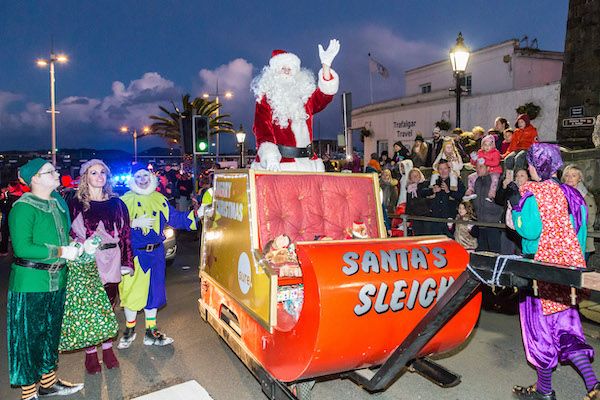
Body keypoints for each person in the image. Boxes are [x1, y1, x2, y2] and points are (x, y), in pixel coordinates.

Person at [509, 143, 600, 400]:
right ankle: (594, 384)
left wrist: (516, 209)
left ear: (538, 166)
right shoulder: (572, 195)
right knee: (567, 330)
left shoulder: (534, 194)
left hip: (539, 271)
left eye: (530, 163)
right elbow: (580, 235)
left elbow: (529, 230)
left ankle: (544, 391)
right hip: (566, 273)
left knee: (540, 334)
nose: (527, 167)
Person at [7, 158, 84, 400]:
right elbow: (23, 248)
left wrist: (74, 246)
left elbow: (62, 238)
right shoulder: (23, 207)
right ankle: (29, 393)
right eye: (49, 171)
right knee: (28, 339)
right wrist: (61, 251)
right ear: (35, 179)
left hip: (57, 280)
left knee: (51, 334)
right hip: (30, 283)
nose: (56, 173)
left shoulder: (58, 205)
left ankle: (48, 384)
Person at [117, 163, 198, 349]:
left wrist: (196, 214)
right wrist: (132, 223)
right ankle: (129, 331)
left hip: (156, 254)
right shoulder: (124, 201)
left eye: (145, 176)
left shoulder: (159, 198)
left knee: (154, 292)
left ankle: (150, 332)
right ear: (132, 180)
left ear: (151, 177)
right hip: (134, 255)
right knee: (131, 293)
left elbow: (175, 218)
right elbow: (114, 228)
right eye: (138, 177)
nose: (142, 180)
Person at [66, 159, 134, 374]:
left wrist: (126, 262)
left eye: (103, 172)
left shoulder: (117, 203)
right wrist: (77, 247)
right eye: (94, 173)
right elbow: (68, 233)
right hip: (88, 259)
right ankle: (90, 353)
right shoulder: (75, 203)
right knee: (89, 308)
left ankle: (107, 348)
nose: (99, 176)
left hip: (112, 258)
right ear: (85, 177)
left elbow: (125, 236)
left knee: (109, 305)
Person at [250, 39, 340, 172]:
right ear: (273, 73)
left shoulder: (304, 97)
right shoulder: (266, 99)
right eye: (282, 69)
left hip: (309, 165)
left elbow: (323, 97)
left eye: (290, 69)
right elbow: (262, 130)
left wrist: (326, 66)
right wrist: (270, 156)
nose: (286, 72)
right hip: (280, 165)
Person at [418, 160, 465, 236]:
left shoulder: (456, 181)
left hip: (450, 219)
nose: (443, 171)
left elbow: (461, 195)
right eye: (440, 169)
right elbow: (421, 192)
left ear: (449, 169)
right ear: (438, 170)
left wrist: (449, 191)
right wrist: (431, 190)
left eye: (445, 168)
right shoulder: (433, 181)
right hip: (435, 219)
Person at [562, 164, 597, 262]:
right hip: (564, 241)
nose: (569, 178)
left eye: (574, 175)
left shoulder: (586, 197)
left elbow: (589, 221)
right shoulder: (560, 194)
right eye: (567, 175)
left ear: (580, 178)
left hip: (583, 241)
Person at [471, 160, 503, 253]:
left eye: (481, 167)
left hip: (493, 224)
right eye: (476, 167)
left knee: (494, 252)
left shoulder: (496, 182)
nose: (478, 169)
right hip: (481, 223)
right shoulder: (476, 181)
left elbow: (500, 200)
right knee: (482, 252)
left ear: (488, 168)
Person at [465, 135, 502, 201]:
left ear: (493, 145)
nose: (487, 147)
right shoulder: (480, 152)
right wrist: (473, 159)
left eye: (489, 145)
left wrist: (485, 161)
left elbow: (496, 163)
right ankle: (470, 190)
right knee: (471, 177)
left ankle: (492, 194)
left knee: (494, 179)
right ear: (482, 145)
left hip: (494, 170)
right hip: (481, 171)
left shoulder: (496, 152)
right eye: (485, 145)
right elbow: (475, 163)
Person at [405, 168, 430, 235]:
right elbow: (408, 204)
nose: (415, 177)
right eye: (413, 176)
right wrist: (407, 219)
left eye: (417, 175)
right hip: (415, 217)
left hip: (426, 215)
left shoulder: (426, 185)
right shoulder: (409, 189)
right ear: (410, 178)